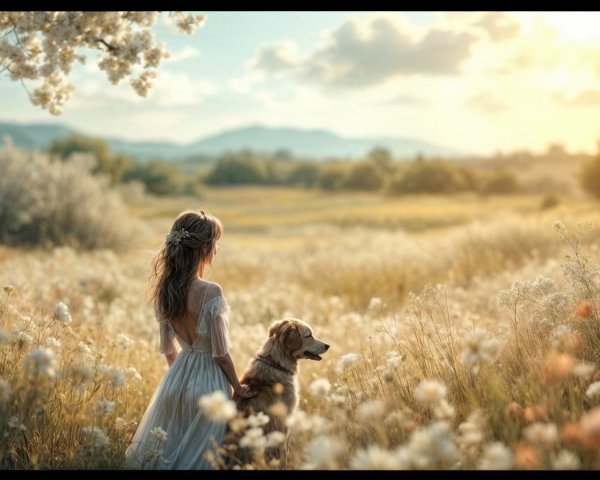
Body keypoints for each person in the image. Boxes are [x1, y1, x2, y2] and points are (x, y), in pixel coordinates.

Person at [125, 209, 256, 469]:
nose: (216, 250)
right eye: (216, 243)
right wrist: (238, 388)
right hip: (209, 385)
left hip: (176, 381)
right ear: (205, 247)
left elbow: (167, 349)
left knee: (166, 454)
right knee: (200, 459)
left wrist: (182, 378)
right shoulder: (211, 291)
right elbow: (220, 353)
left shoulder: (165, 291)